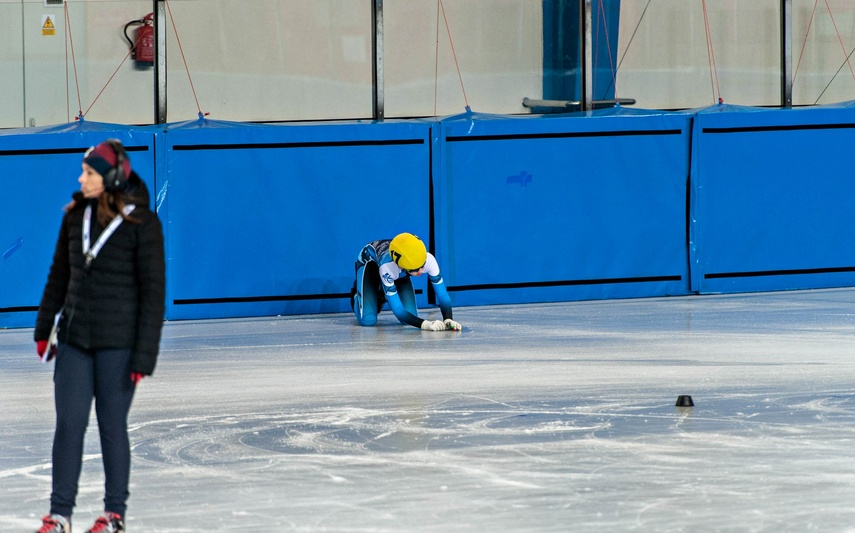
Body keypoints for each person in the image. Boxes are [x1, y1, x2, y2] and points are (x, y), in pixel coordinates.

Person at [32, 139, 165, 533]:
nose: (80, 177)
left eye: (88, 172)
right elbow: (59, 275)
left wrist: (144, 355)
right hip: (74, 339)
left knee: (111, 426)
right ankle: (60, 515)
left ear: (108, 177)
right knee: (68, 426)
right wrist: (44, 328)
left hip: (119, 345)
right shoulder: (76, 216)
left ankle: (113, 514)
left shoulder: (143, 223)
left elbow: (153, 294)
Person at [351, 232, 461, 331]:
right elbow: (398, 311)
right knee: (368, 320)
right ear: (401, 265)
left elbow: (442, 294)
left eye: (422, 266)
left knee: (410, 317)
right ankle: (357, 295)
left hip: (399, 271)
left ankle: (384, 289)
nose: (420, 271)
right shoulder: (388, 268)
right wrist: (425, 324)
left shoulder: (428, 259)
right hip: (370, 263)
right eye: (414, 269)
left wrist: (448, 319)